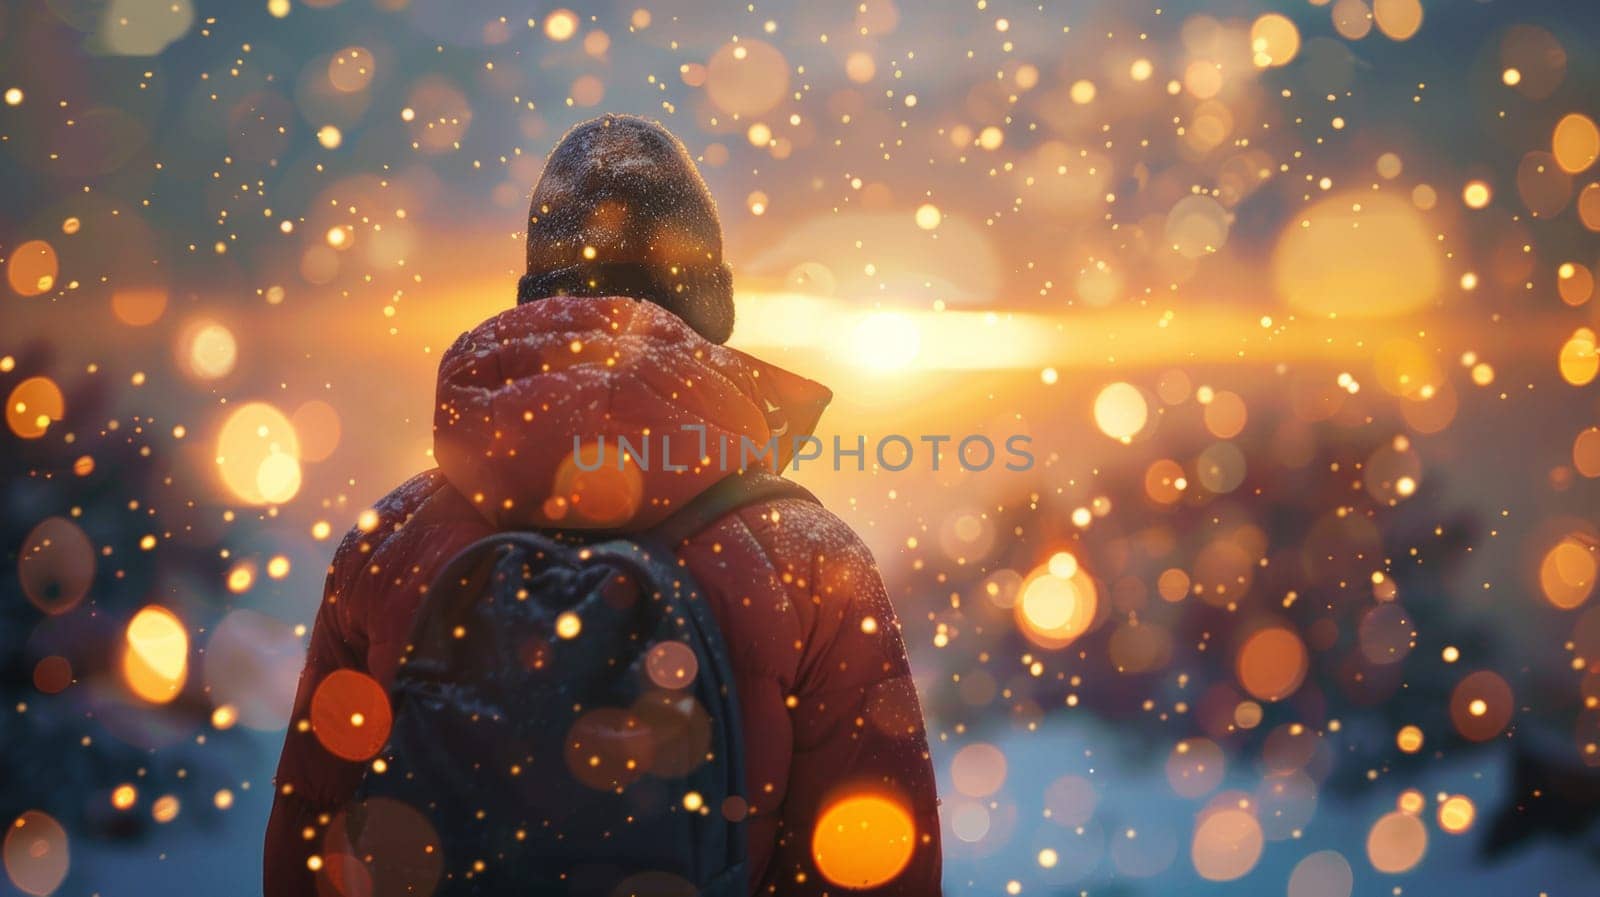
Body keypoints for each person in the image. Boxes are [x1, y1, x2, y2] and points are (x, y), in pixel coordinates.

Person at [265, 114, 942, 895]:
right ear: (715, 306)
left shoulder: (388, 543)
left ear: (531, 299)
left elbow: (310, 844)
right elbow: (872, 864)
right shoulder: (813, 561)